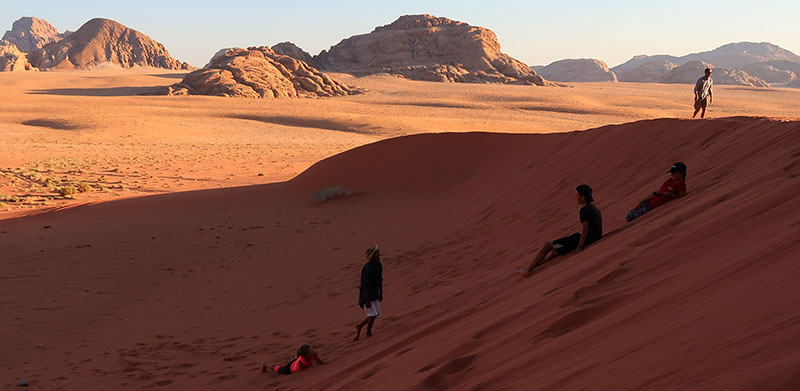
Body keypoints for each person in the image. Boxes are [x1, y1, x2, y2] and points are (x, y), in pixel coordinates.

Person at [518, 184, 602, 278]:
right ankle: (535, 266)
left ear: (583, 197)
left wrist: (579, 247)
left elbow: (585, 230)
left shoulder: (584, 210)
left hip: (585, 239)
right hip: (592, 237)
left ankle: (528, 270)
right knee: (556, 251)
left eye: (577, 195)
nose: (576, 198)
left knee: (548, 245)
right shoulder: (594, 208)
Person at [354, 245, 383, 341]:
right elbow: (364, 285)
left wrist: (381, 293)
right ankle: (368, 333)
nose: (379, 255)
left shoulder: (378, 265)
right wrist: (366, 300)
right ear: (373, 255)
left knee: (375, 314)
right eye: (377, 253)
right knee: (372, 314)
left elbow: (380, 280)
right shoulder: (368, 268)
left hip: (374, 292)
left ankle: (360, 326)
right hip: (367, 294)